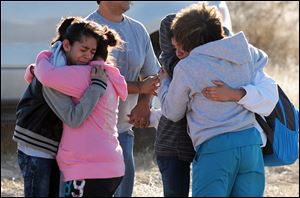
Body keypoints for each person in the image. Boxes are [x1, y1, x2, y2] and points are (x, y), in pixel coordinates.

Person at [157, 3, 276, 196]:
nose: (178, 52)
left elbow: (172, 112)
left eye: (179, 46)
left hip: (216, 147)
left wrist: (164, 84)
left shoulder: (188, 67)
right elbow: (262, 59)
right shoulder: (244, 51)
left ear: (188, 41)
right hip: (251, 144)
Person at [26, 16, 127, 196]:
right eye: (84, 49)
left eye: (91, 51)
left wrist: (44, 55)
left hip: (87, 168)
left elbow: (47, 76)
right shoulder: (109, 74)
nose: (87, 55)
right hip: (112, 165)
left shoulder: (82, 75)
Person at [86, 1, 161, 197]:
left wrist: (144, 104)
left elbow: (153, 76)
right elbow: (88, 78)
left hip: (123, 133)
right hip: (90, 137)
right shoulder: (86, 30)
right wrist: (138, 87)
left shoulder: (138, 30)